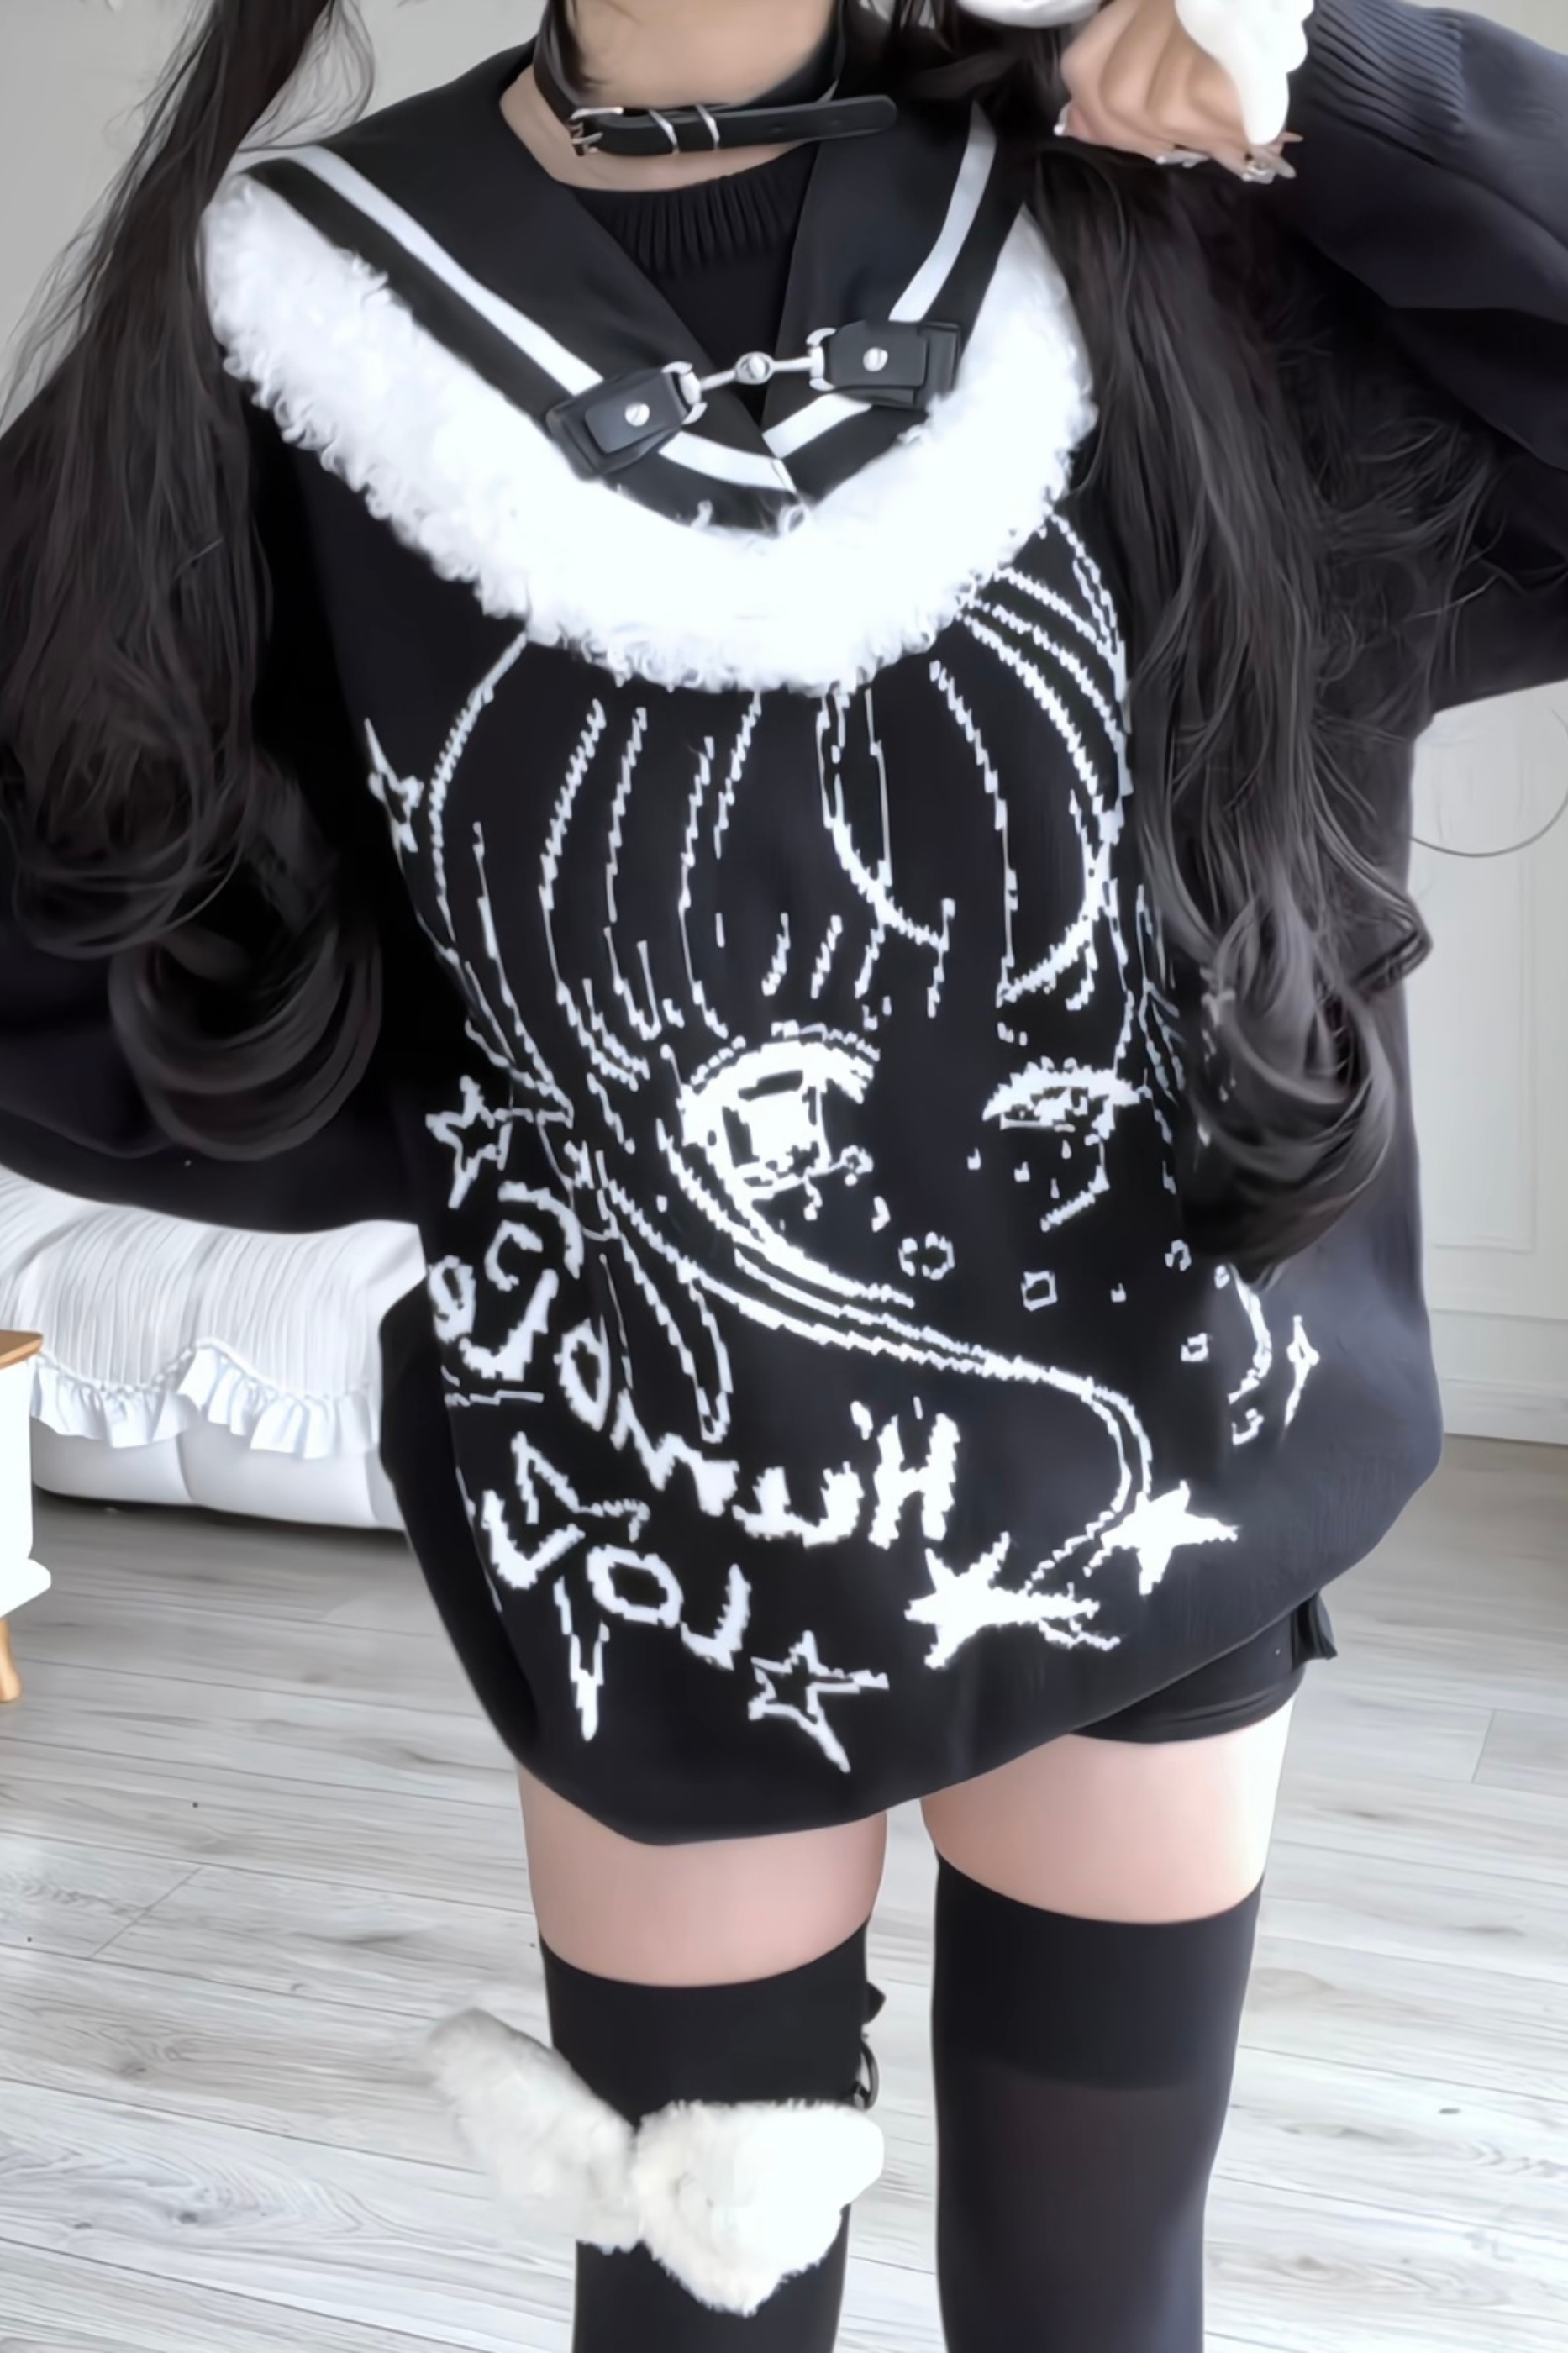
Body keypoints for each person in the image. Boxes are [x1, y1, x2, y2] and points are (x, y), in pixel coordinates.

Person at [2, 0, 1565, 2344]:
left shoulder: (1148, 207)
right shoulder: (308, 297)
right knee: (693, 2299)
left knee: (1089, 2290)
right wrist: (492, 1131)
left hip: (1156, 1455)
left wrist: (1328, 64)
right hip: (668, 1522)